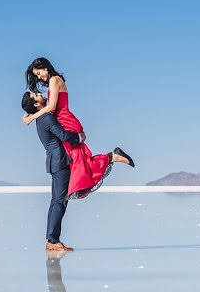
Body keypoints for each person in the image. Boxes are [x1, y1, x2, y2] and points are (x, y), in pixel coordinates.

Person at [22, 57, 134, 200]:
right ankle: (112, 157)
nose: (39, 77)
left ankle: (112, 157)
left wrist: (31, 118)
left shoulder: (54, 80)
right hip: (64, 119)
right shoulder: (55, 80)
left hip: (65, 120)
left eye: (39, 73)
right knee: (79, 159)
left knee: (79, 159)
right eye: (37, 76)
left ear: (45, 68)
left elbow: (51, 107)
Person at [23, 89, 84, 252]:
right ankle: (53, 241)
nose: (39, 93)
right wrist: (79, 137)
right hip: (60, 162)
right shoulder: (46, 117)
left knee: (56, 201)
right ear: (37, 104)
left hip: (54, 162)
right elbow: (63, 135)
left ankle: (52, 239)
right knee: (59, 201)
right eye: (36, 95)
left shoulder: (40, 118)